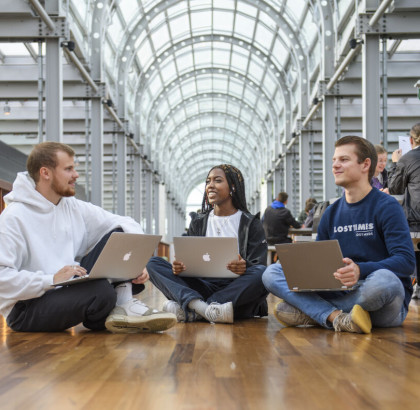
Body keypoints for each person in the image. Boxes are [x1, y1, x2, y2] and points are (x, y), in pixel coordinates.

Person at [0, 142, 176, 333]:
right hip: (26, 308)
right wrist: (51, 279)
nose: (76, 175)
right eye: (69, 169)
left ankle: (123, 305)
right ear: (45, 173)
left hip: (64, 290)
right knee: (102, 292)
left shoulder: (71, 206)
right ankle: (116, 309)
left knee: (120, 232)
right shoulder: (13, 217)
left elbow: (125, 223)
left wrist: (135, 263)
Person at [262, 135, 415, 334]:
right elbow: (321, 262)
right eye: (334, 160)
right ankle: (337, 317)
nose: (335, 166)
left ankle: (315, 313)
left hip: (377, 297)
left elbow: (406, 261)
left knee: (385, 281)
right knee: (271, 273)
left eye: (343, 160)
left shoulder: (387, 206)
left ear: (365, 164)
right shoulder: (330, 213)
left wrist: (360, 270)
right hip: (338, 290)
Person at [146, 164, 268, 324]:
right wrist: (179, 268)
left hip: (235, 287)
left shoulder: (250, 223)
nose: (210, 185)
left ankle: (195, 308)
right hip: (202, 284)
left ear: (232, 187)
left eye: (217, 181)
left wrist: (244, 266)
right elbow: (188, 261)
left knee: (263, 273)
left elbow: (258, 265)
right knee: (152, 263)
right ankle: (210, 310)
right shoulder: (197, 222)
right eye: (208, 181)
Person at [388, 123, 420, 298]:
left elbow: (395, 188)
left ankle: (417, 286)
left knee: (415, 248)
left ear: (410, 140)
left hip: (416, 218)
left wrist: (395, 163)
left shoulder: (407, 159)